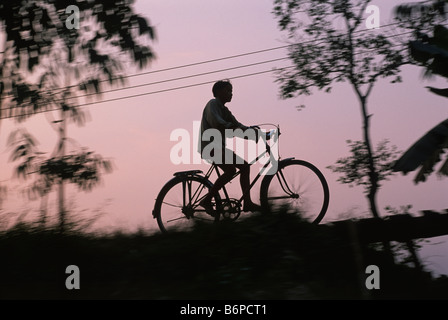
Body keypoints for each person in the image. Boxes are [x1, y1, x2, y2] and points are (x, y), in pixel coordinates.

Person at [198, 80, 262, 214]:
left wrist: (257, 134)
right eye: (228, 90)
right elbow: (218, 123)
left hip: (217, 147)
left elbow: (238, 126)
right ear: (219, 92)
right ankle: (208, 200)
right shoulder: (213, 104)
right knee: (243, 167)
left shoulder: (225, 110)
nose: (231, 94)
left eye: (231, 91)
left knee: (233, 170)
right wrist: (235, 128)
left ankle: (246, 202)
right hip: (210, 147)